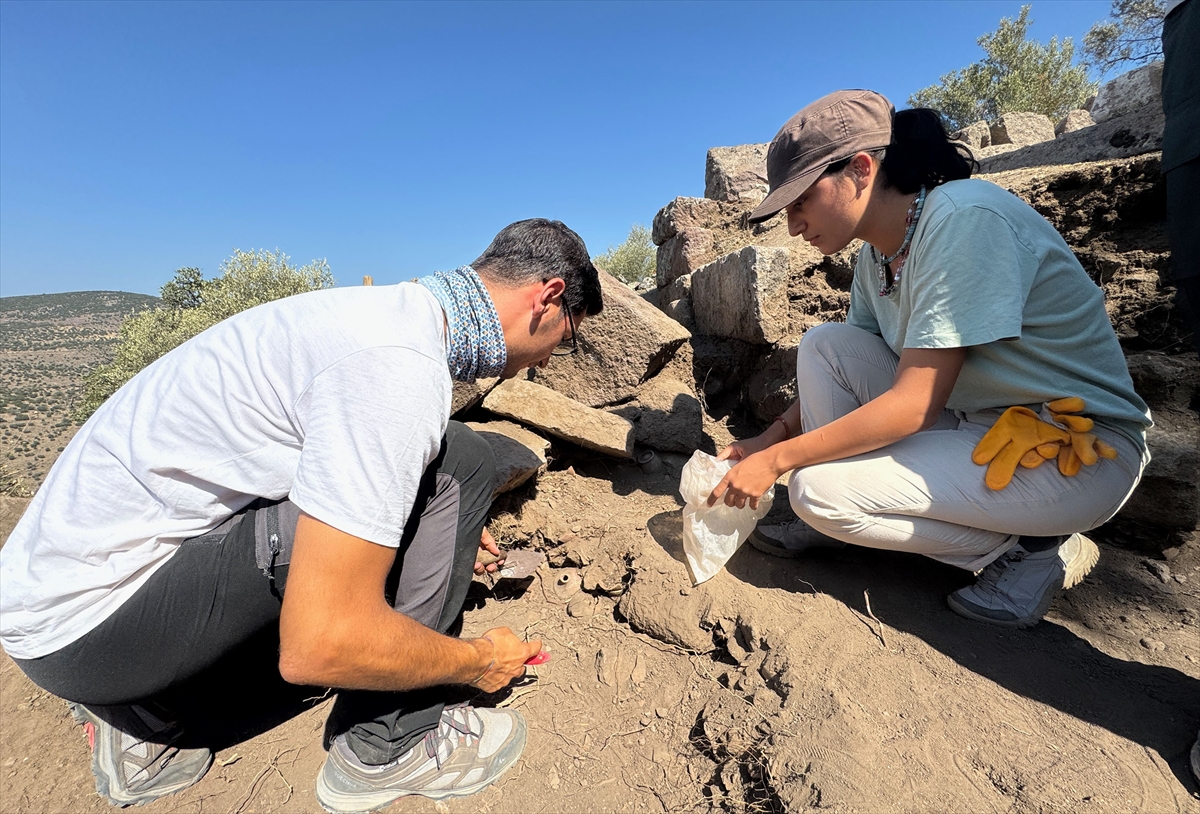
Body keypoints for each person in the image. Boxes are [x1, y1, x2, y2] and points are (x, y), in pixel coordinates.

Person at [0, 218, 604, 812]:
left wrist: (417, 511)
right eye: (567, 337)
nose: (551, 361)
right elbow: (318, 645)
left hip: (54, 604)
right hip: (89, 633)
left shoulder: (378, 315)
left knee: (431, 473)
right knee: (464, 460)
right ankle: (387, 746)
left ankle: (142, 719)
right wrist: (478, 661)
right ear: (547, 299)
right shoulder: (397, 365)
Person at [707, 90, 1152, 629]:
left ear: (861, 169)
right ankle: (839, 518)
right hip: (982, 425)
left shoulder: (963, 220)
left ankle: (1030, 551)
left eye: (801, 201)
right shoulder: (879, 255)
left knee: (815, 492)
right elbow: (851, 364)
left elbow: (913, 404)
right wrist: (768, 439)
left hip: (1072, 448)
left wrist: (780, 463)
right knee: (826, 344)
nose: (794, 225)